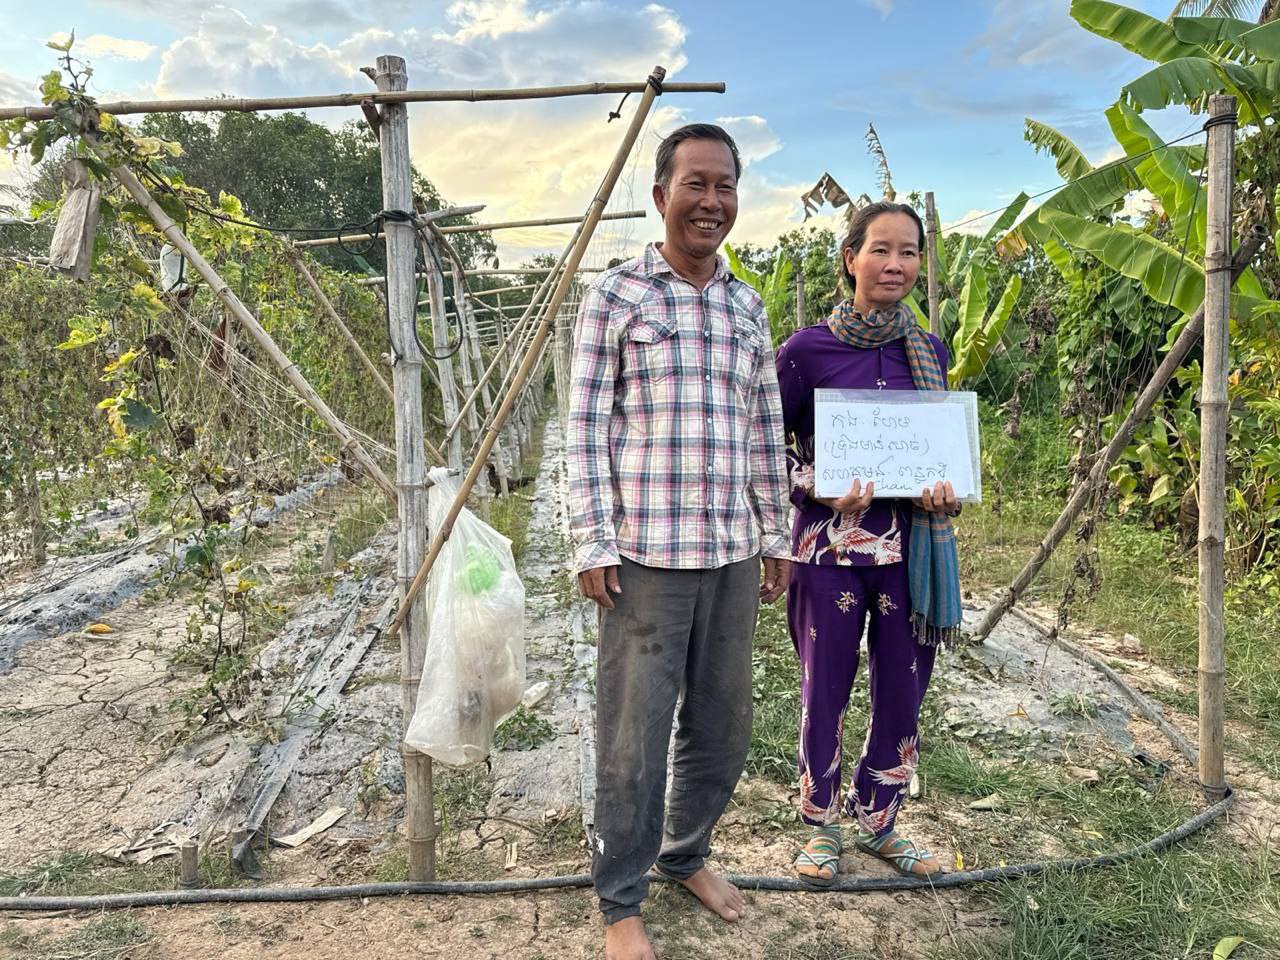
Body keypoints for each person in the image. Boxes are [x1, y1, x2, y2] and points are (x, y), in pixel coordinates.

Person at [566, 122, 792, 960]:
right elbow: (585, 426)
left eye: (725, 185)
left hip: (731, 552)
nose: (711, 201)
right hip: (646, 559)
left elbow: (764, 427)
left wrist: (776, 533)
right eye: (695, 183)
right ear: (661, 194)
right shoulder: (618, 296)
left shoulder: (746, 305)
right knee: (633, 737)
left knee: (723, 726)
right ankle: (620, 899)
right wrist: (593, 540)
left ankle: (686, 853)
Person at [774, 201, 961, 886]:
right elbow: (762, 448)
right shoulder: (805, 353)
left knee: (904, 688)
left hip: (910, 554)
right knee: (825, 686)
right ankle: (821, 824)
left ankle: (880, 820)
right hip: (828, 553)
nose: (895, 264)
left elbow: (937, 450)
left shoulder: (930, 352)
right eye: (880, 249)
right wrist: (816, 487)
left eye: (908, 252)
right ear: (850, 258)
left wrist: (944, 490)